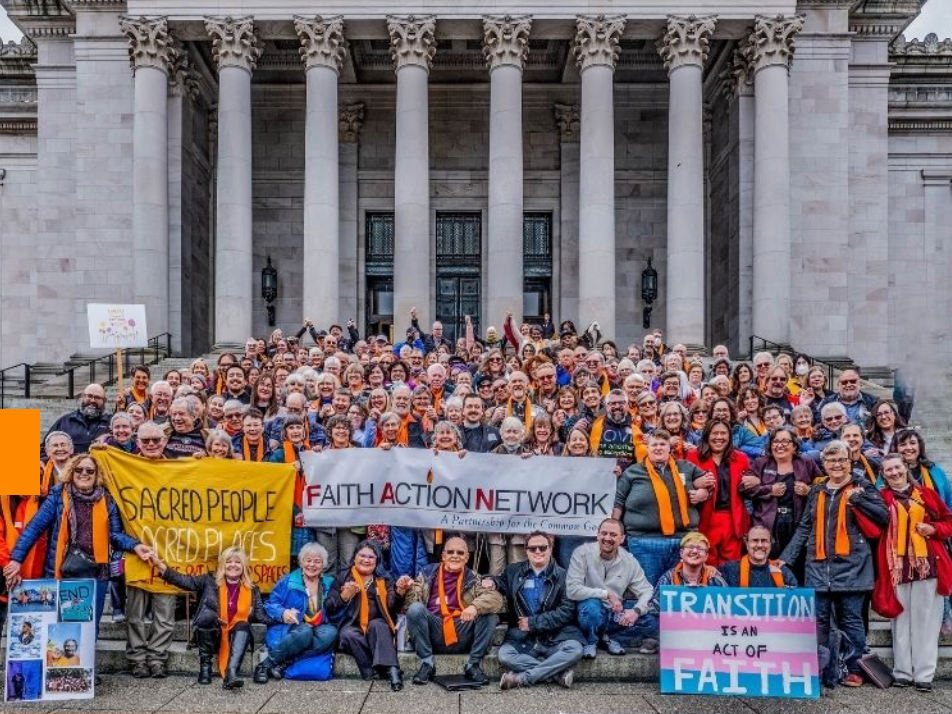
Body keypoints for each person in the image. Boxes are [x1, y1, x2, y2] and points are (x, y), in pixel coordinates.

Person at [779, 441, 888, 687]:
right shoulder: (818, 490)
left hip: (853, 564)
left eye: (841, 460)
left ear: (849, 462)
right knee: (819, 620)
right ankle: (821, 667)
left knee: (851, 620)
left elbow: (883, 517)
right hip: (818, 565)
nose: (837, 465)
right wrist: (786, 557)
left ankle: (854, 668)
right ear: (824, 465)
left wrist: (859, 501)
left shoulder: (862, 485)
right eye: (831, 461)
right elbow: (806, 526)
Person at [3, 455, 151, 637]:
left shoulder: (107, 498)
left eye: (90, 471)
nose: (84, 474)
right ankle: (63, 665)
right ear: (72, 472)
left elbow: (115, 534)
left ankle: (87, 665)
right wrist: (17, 560)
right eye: (79, 470)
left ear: (97, 475)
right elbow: (34, 528)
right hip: (63, 569)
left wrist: (135, 546)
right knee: (61, 626)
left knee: (88, 629)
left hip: (97, 573)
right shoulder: (58, 494)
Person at [872, 454, 952, 691]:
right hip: (896, 568)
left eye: (897, 467)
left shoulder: (926, 494)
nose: (894, 473)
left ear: (906, 468)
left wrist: (933, 528)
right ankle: (903, 672)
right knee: (900, 622)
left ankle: (924, 674)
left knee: (927, 622)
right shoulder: (881, 498)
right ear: (883, 476)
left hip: (928, 566)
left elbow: (948, 521)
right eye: (889, 470)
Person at [152, 546, 273, 689]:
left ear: (244, 566)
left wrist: (285, 617)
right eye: (228, 561)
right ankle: (205, 668)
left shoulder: (253, 590)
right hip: (211, 635)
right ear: (223, 564)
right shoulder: (209, 580)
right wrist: (161, 566)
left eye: (237, 562)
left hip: (236, 639)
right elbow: (184, 581)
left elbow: (262, 616)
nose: (232, 565)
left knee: (244, 624)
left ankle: (231, 673)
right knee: (208, 617)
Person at [486, 531, 584, 690]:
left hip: (556, 636)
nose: (538, 551)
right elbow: (500, 582)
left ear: (550, 548)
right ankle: (557, 673)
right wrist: (491, 582)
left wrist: (533, 623)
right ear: (526, 550)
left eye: (542, 547)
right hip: (524, 639)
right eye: (533, 548)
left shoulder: (565, 576)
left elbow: (567, 612)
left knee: (575, 649)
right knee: (505, 656)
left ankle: (521, 679)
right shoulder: (513, 571)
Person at [612, 430, 709, 586]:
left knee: (679, 591)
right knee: (648, 590)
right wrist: (614, 528)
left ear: (669, 448)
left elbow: (707, 481)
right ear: (647, 448)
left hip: (683, 541)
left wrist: (703, 492)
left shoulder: (686, 467)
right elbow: (618, 501)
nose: (658, 448)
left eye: (662, 444)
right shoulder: (633, 472)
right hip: (643, 542)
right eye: (654, 444)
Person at [404, 535, 504, 686]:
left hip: (462, 629)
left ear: (467, 557)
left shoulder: (474, 578)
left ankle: (473, 665)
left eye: (460, 553)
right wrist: (407, 588)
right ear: (443, 556)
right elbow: (410, 606)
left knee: (489, 615)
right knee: (415, 609)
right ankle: (427, 664)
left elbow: (497, 599)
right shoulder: (427, 573)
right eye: (450, 552)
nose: (455, 556)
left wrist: (474, 607)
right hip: (434, 630)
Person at [324, 541, 408, 690]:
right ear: (354, 558)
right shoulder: (344, 577)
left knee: (378, 625)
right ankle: (374, 671)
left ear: (377, 561)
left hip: (376, 628)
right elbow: (328, 607)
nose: (366, 560)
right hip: (351, 627)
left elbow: (391, 607)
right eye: (362, 555)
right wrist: (343, 596)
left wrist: (399, 593)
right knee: (348, 634)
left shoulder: (383, 579)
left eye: (371, 557)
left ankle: (394, 670)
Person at [566, 518, 655, 658]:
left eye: (613, 535)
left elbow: (647, 590)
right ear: (597, 535)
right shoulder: (582, 553)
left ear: (622, 538)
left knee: (651, 621)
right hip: (589, 612)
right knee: (592, 607)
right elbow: (572, 590)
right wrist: (606, 594)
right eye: (604, 533)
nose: (607, 538)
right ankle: (593, 640)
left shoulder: (629, 560)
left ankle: (604, 638)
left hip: (613, 614)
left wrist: (636, 611)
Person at [255, 542, 339, 683]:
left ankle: (285, 662)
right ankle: (264, 665)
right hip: (289, 629)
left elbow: (336, 608)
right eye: (308, 560)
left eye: (317, 561)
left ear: (323, 564)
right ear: (301, 562)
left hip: (317, 627)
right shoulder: (288, 581)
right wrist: (283, 612)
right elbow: (270, 604)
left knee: (331, 632)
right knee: (304, 631)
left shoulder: (329, 583)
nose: (312, 565)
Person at [688, 420, 755, 566]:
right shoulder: (693, 457)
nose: (719, 437)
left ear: (730, 437)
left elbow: (751, 487)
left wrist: (754, 481)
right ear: (707, 436)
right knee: (706, 565)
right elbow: (684, 485)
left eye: (723, 433)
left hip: (733, 520)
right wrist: (697, 487)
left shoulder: (741, 458)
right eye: (715, 433)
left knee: (731, 566)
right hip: (704, 519)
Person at [749, 426, 822, 557]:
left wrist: (809, 490)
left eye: (785, 441)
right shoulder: (760, 463)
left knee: (795, 561)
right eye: (775, 442)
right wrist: (770, 490)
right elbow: (746, 489)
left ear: (794, 446)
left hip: (797, 522)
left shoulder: (806, 463)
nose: (779, 445)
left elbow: (823, 487)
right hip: (767, 522)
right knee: (770, 561)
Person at [40, 384, 110, 459]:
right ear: (83, 397)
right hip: (69, 469)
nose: (92, 400)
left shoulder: (110, 423)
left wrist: (107, 435)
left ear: (104, 401)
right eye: (89, 396)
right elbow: (43, 449)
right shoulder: (65, 421)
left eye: (97, 397)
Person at [720, 526, 797, 587]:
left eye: (764, 541)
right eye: (755, 540)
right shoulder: (730, 569)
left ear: (770, 544)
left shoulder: (782, 570)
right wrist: (709, 569)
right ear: (746, 544)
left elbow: (794, 599)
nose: (760, 545)